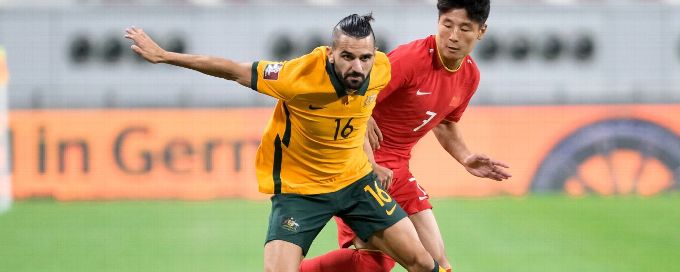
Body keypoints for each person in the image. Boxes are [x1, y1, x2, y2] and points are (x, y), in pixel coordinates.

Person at [125, 14, 448, 272]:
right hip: (301, 191)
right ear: (331, 52)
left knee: (421, 262)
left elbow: (360, 113)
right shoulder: (298, 77)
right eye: (347, 56)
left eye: (364, 57)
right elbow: (231, 69)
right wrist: (165, 56)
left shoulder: (380, 69)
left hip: (356, 183)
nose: (357, 67)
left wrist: (372, 161)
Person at [300, 1, 512, 272]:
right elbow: (354, 92)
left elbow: (445, 123)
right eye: (447, 25)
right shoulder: (410, 60)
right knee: (374, 264)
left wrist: (466, 157)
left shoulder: (469, 75)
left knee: (436, 264)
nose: (453, 36)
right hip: (358, 169)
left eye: (464, 28)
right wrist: (362, 121)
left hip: (398, 170)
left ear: (481, 31)